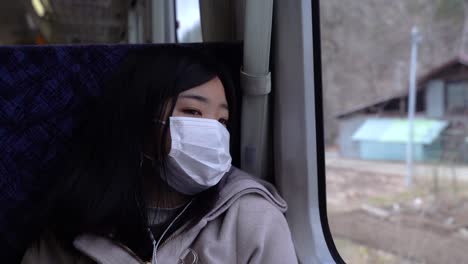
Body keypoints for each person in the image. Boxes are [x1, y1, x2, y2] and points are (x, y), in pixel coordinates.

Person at [21, 46, 297, 264]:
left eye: (222, 121)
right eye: (192, 112)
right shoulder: (71, 221)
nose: (213, 132)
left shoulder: (252, 219)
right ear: (140, 118)